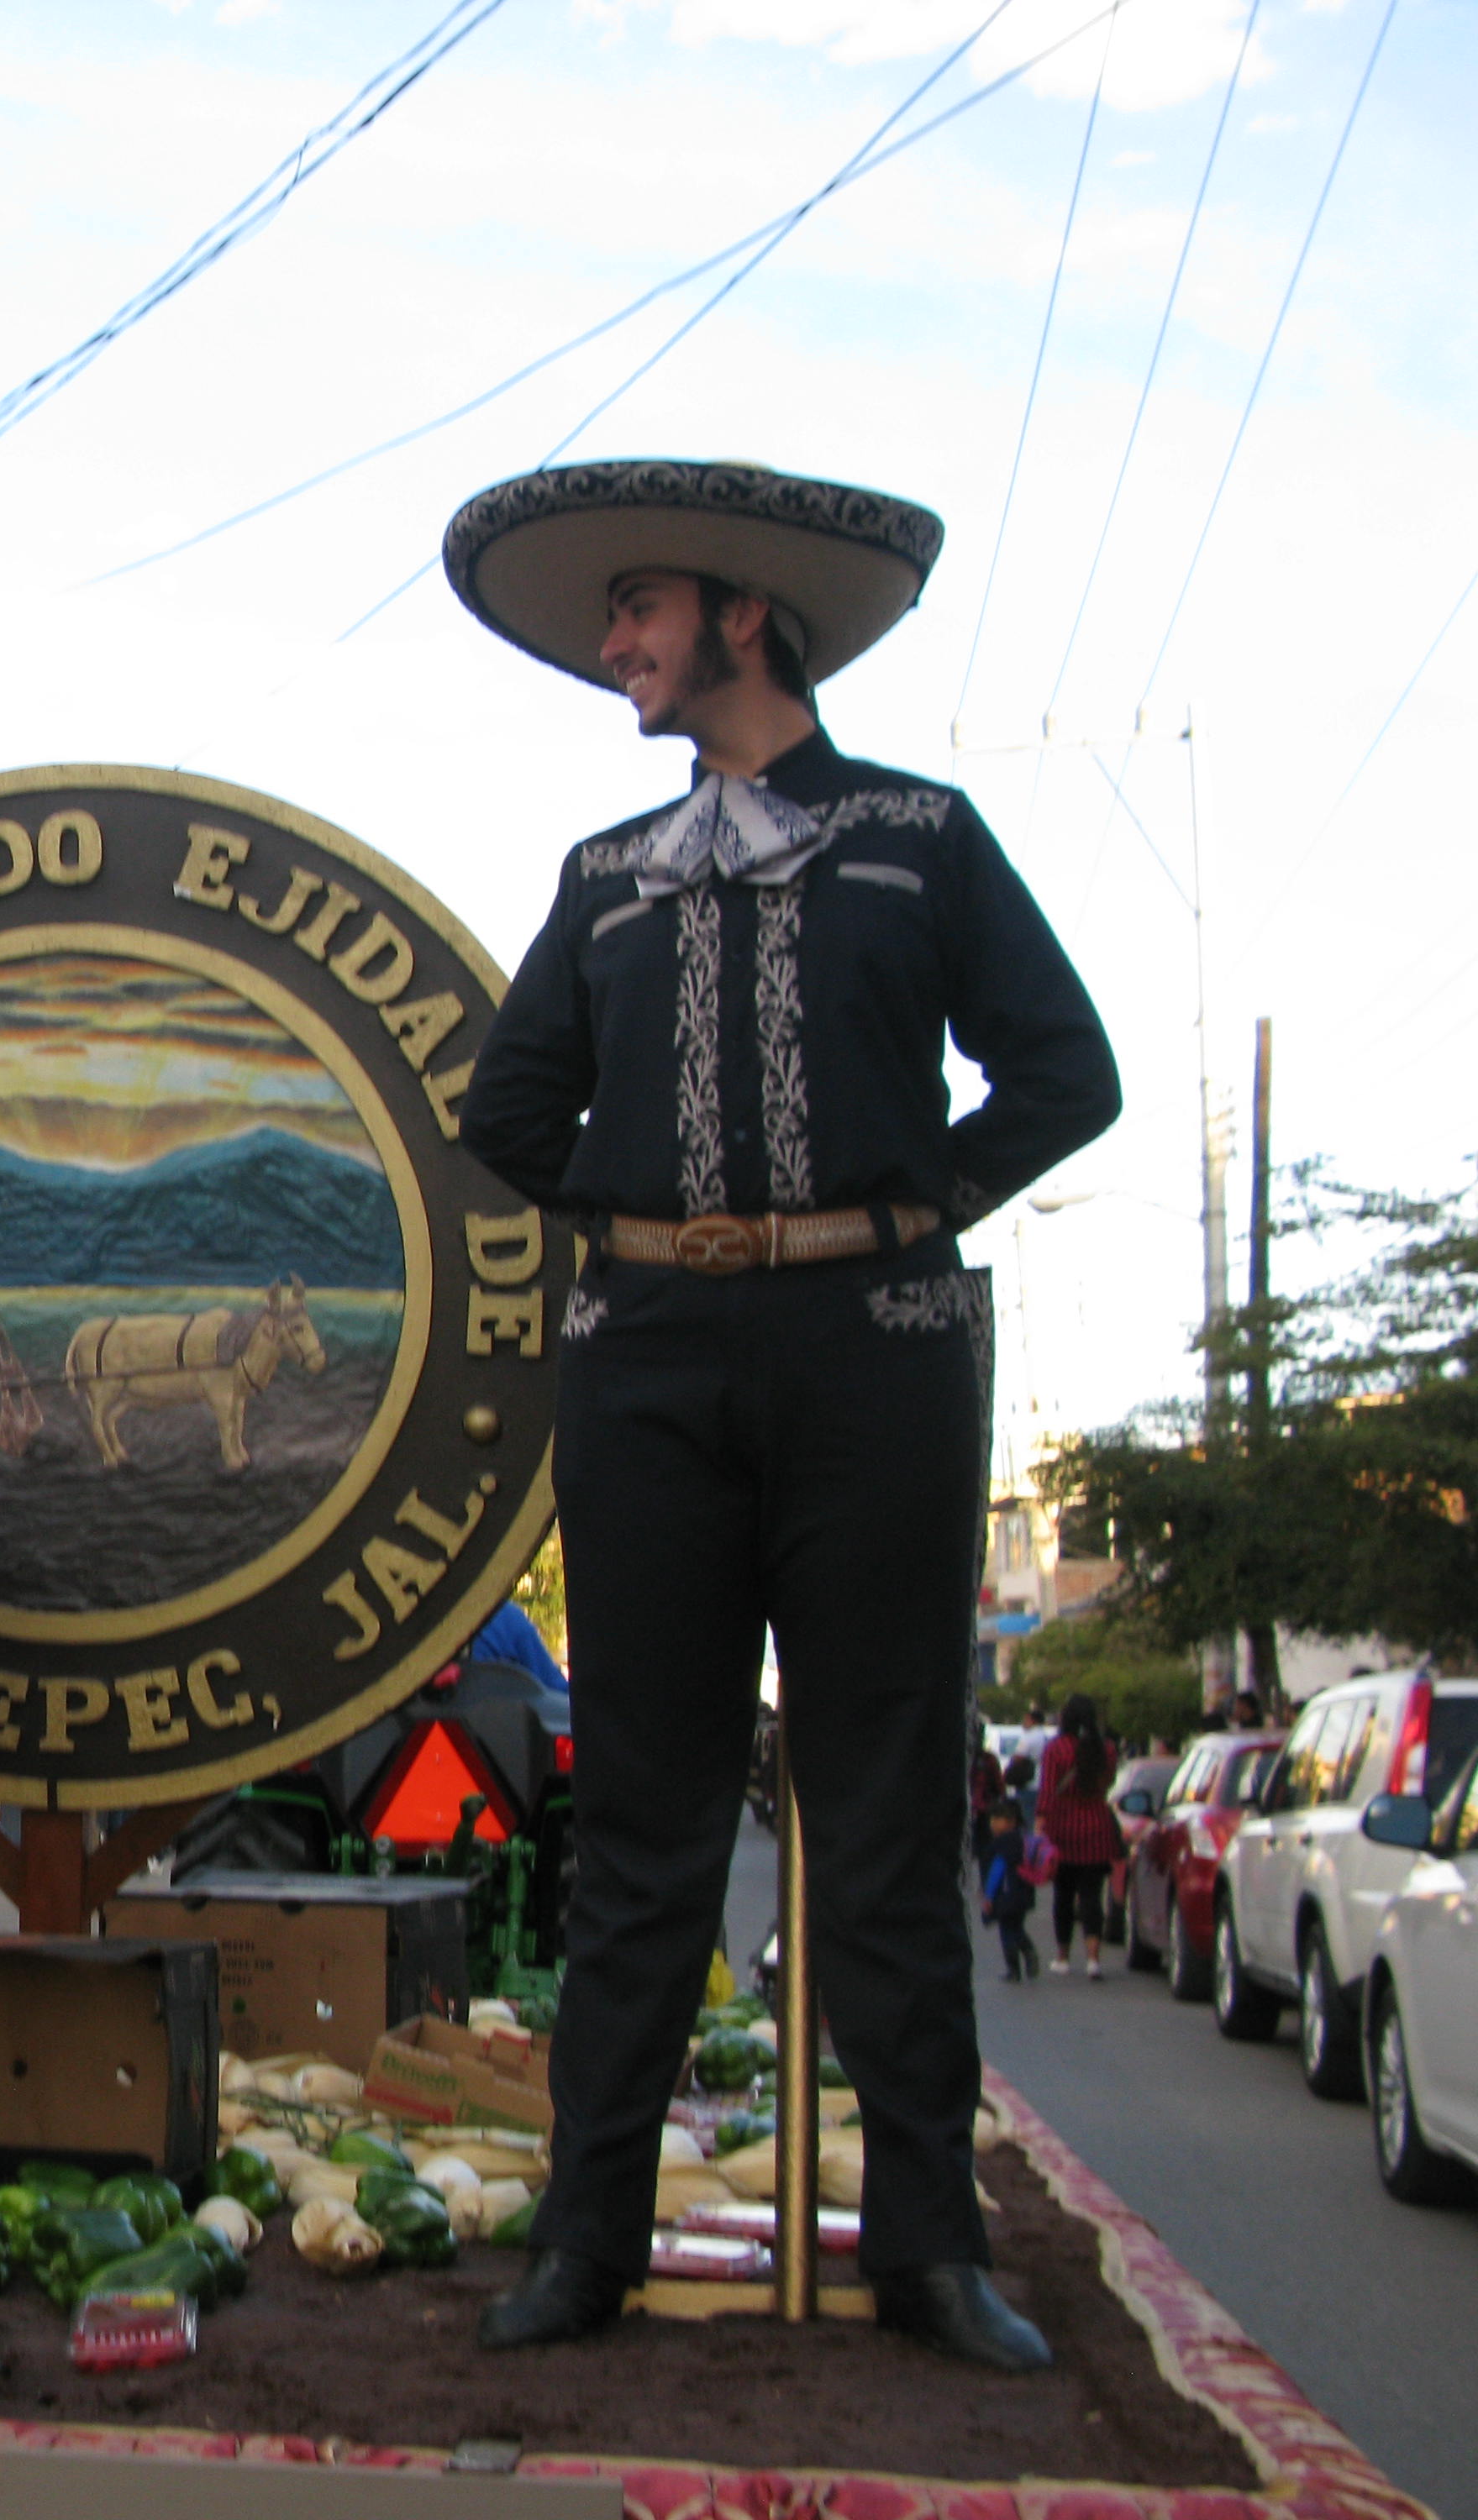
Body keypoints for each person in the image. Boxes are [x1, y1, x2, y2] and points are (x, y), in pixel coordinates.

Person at [445, 459, 1120, 2373]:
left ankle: (925, 2244)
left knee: (887, 1807)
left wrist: (907, 1200)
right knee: (642, 1813)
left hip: (876, 1349)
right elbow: (503, 1114)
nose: (613, 646)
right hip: (646, 1362)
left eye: (638, 608)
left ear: (742, 612)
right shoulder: (601, 877)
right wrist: (639, 1213)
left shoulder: (920, 836)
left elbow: (1065, 1071)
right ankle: (590, 2234)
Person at [1037, 1693, 1123, 1980]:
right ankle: (1093, 1959)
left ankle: (1062, 1957)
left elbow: (1048, 1793)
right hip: (1097, 1827)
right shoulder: (1107, 1749)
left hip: (1063, 1828)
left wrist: (1040, 1828)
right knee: (1091, 1895)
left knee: (1063, 1894)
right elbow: (1108, 1783)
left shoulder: (1056, 1750)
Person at [977, 1805, 1042, 1983]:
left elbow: (997, 1871)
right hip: (1022, 1892)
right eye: (993, 1820)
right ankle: (1029, 1952)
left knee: (1007, 1931)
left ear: (1011, 1822)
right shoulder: (1022, 1840)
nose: (993, 1824)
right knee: (1017, 1927)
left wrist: (988, 1896)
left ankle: (1014, 1970)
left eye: (998, 1820)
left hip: (1005, 1894)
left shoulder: (1001, 1845)